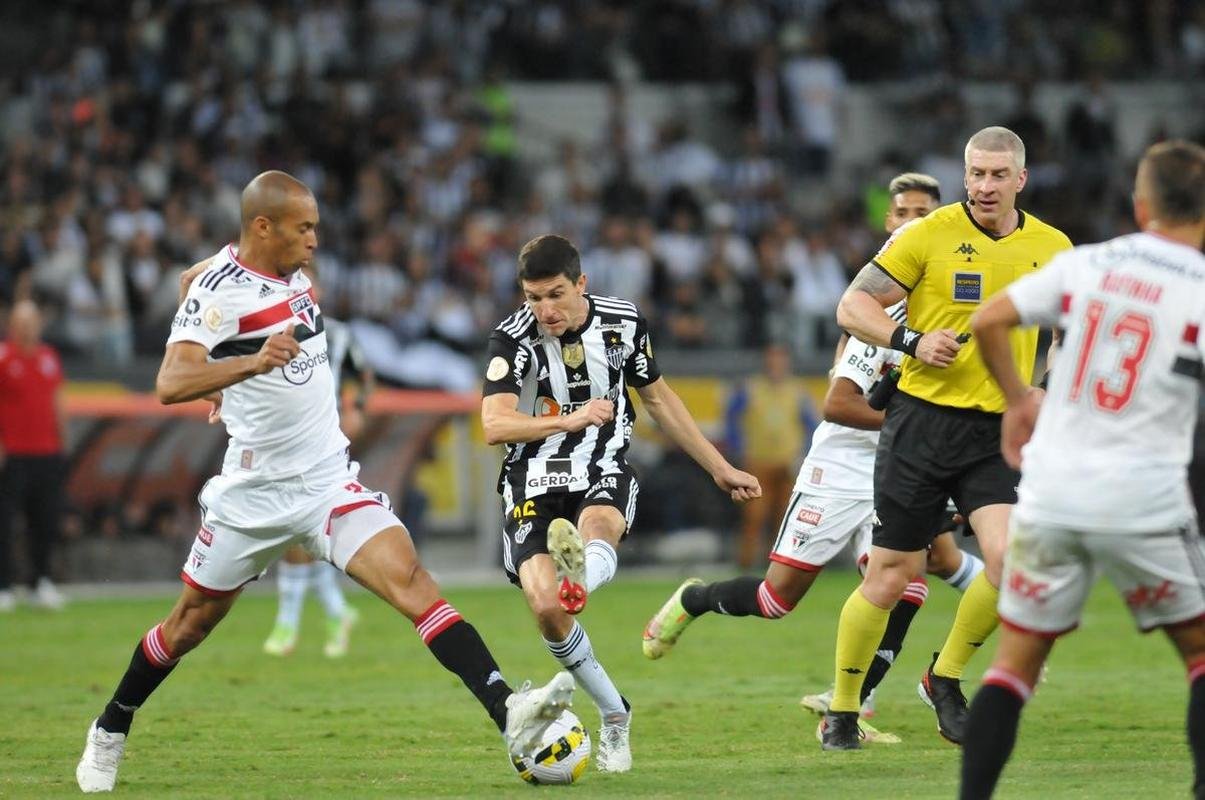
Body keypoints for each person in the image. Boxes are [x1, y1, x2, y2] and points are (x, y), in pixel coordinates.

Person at [75, 171, 575, 794]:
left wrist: (229, 380)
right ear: (264, 227)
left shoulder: (288, 279)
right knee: (188, 627)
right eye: (303, 227)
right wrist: (244, 367)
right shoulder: (219, 292)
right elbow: (170, 382)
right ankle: (111, 725)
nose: (315, 239)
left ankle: (510, 714)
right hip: (254, 493)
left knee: (415, 584)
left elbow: (192, 281)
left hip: (327, 481)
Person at [642, 174, 984, 730]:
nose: (916, 222)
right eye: (905, 213)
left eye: (928, 212)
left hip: (896, 466)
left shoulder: (946, 306)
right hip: (843, 464)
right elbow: (838, 403)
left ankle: (848, 704)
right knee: (778, 599)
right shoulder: (877, 312)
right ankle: (695, 599)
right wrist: (916, 423)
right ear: (890, 224)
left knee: (906, 580)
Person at [960, 141, 1205, 798]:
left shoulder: (1088, 263)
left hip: (1051, 492)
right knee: (1199, 655)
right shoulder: (1197, 288)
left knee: (1012, 666)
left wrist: (1016, 400)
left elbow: (989, 318)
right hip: (1142, 496)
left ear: (1140, 202)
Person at [821, 127, 1073, 750]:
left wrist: (1047, 386)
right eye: (976, 174)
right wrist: (908, 341)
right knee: (889, 577)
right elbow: (852, 306)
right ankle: (844, 710)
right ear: (964, 176)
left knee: (1012, 563)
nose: (985, 186)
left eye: (997, 175)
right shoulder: (925, 235)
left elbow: (1072, 328)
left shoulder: (1053, 246)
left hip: (993, 432)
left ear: (1021, 179)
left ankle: (945, 677)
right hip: (920, 425)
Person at [480, 234, 761, 773]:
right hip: (532, 479)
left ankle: (581, 572)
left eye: (555, 295)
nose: (545, 309)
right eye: (533, 298)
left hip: (601, 466)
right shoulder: (511, 339)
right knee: (546, 609)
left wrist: (720, 469)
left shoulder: (623, 322)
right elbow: (494, 423)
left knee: (599, 524)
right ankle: (614, 714)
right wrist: (568, 418)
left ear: (581, 283)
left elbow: (658, 398)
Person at [176, 260, 370, 658]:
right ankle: (332, 613)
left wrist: (359, 408)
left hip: (322, 446)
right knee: (300, 540)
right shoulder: (257, 324)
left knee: (301, 537)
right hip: (276, 444)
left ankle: (294, 623)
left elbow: (364, 374)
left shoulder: (337, 333)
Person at [0, 300, 68, 611]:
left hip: (47, 452)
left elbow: (57, 401)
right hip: (13, 453)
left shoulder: (49, 357)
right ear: (12, 325)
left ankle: (41, 580)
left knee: (45, 521)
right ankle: (4, 585)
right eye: (22, 322)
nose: (28, 328)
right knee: (6, 521)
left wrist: (62, 441)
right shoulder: (3, 357)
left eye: (32, 322)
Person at [724, 342, 815, 569]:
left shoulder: (798, 391)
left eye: (781, 359)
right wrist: (738, 450)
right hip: (758, 462)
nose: (777, 364)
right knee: (754, 516)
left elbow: (812, 426)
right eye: (773, 359)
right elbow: (731, 420)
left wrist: (805, 453)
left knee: (785, 517)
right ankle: (745, 563)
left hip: (788, 463)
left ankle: (778, 565)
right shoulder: (750, 388)